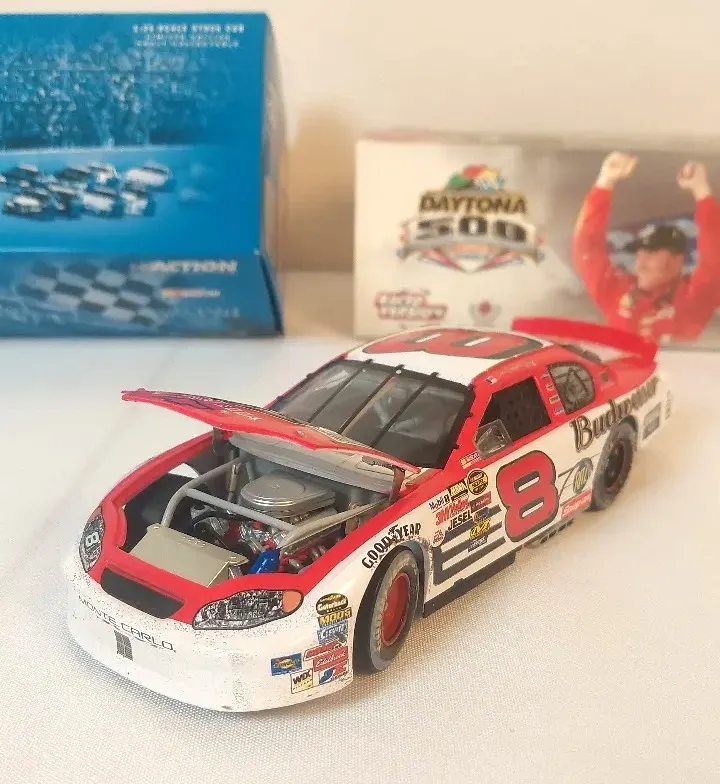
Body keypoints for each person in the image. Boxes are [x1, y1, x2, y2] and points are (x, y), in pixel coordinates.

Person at [572, 152, 720, 342]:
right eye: (640, 250)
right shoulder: (616, 293)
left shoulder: (694, 299)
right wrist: (605, 181)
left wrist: (701, 190)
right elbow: (587, 250)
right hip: (624, 361)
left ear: (677, 261)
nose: (642, 257)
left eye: (652, 251)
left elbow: (714, 258)